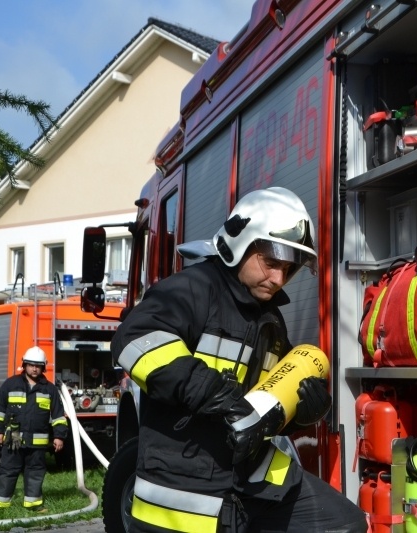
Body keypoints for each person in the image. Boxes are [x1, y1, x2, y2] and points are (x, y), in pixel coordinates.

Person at [112, 187, 367, 533]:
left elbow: (258, 410)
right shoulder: (192, 289)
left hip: (249, 480)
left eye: (289, 269)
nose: (278, 279)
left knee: (345, 524)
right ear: (238, 244)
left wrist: (302, 414)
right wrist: (215, 394)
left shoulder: (268, 318)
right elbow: (134, 339)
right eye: (271, 262)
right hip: (187, 487)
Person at [0, 346, 69, 512]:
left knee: (36, 471)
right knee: (8, 471)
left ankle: (33, 504)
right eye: (31, 364)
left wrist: (59, 436)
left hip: (37, 441)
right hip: (13, 438)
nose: (34, 368)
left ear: (43, 367)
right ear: (24, 365)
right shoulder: (10, 384)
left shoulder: (49, 389)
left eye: (38, 365)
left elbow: (58, 416)